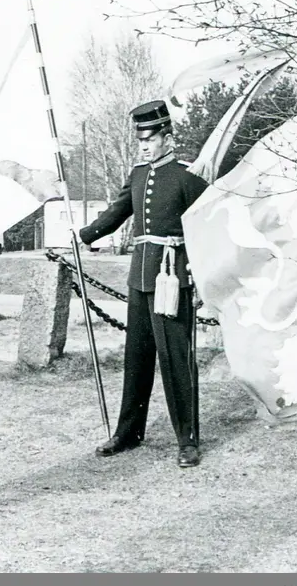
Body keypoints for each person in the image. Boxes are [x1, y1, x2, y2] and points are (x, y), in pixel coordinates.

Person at [78, 100, 209, 469]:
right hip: (139, 277)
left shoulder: (187, 176)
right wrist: (86, 234)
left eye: (151, 140)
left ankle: (187, 439)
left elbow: (205, 227)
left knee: (175, 361)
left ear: (168, 138)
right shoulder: (138, 174)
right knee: (136, 359)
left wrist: (198, 275)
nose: (145, 147)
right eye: (141, 142)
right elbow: (118, 211)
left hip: (172, 276)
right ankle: (128, 433)